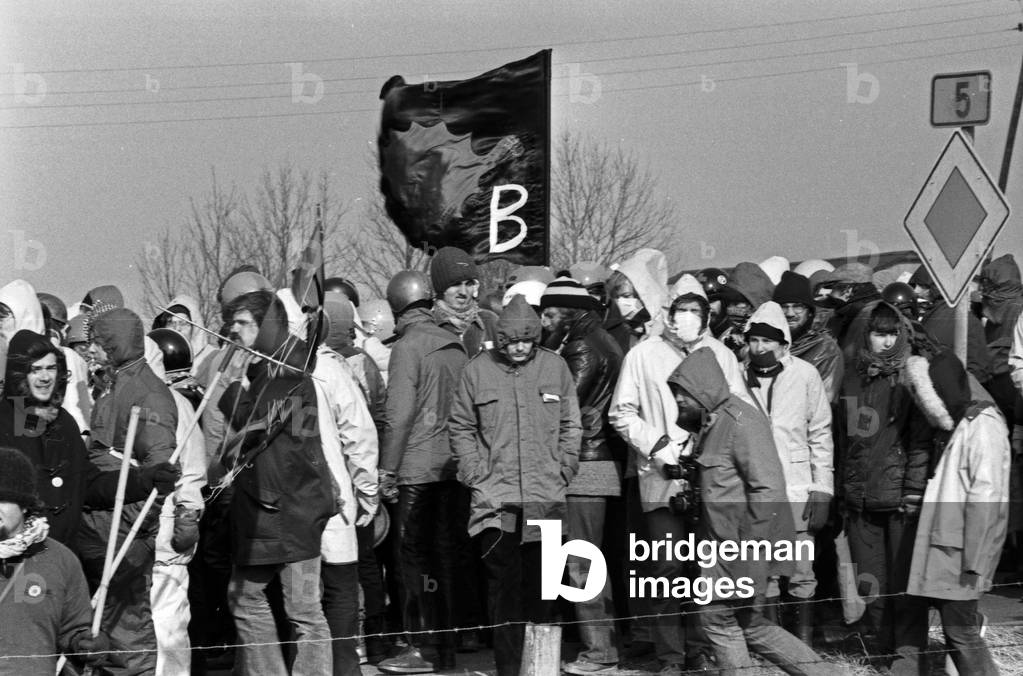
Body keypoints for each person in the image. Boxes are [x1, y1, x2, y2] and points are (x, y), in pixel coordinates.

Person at [665, 348, 829, 676]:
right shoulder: (712, 426)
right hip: (719, 545)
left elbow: (768, 489)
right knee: (749, 623)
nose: (679, 402)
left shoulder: (741, 422)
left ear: (703, 390)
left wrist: (750, 554)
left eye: (683, 395)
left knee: (715, 617)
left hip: (741, 547)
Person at [609, 278, 743, 673]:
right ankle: (670, 656)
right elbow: (622, 411)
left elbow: (737, 411)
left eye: (695, 311)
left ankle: (700, 650)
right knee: (665, 566)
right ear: (668, 312)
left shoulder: (721, 355)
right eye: (679, 310)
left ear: (705, 315)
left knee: (705, 567)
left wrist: (709, 447)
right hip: (660, 476)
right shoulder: (643, 354)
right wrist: (657, 443)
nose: (686, 318)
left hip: (710, 477)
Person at [449, 295, 582, 676]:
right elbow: (460, 425)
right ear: (500, 340)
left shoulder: (555, 368)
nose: (521, 347)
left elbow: (572, 423)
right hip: (497, 504)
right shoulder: (477, 371)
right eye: (512, 341)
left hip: (546, 500)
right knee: (503, 591)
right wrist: (475, 472)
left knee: (545, 590)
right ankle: (509, 668)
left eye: (527, 340)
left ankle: (541, 667)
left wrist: (565, 466)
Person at [378, 249, 494, 674]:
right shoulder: (455, 344)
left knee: (412, 560)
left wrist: (387, 470)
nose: (464, 293)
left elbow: (399, 415)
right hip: (453, 467)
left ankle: (418, 647)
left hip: (416, 469)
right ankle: (444, 646)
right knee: (446, 558)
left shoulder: (409, 347)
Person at [217, 290, 335, 675]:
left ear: (266, 328)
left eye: (244, 324)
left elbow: (258, 425)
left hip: (290, 508)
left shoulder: (289, 370)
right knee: (247, 597)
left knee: (301, 610)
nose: (234, 331)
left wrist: (230, 389)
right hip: (275, 507)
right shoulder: (268, 367)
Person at [78, 306, 180, 676]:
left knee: (128, 628)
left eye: (99, 342)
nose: (90, 349)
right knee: (100, 626)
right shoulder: (113, 382)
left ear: (116, 343)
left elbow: (160, 467)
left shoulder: (149, 394)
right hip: (100, 523)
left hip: (125, 527)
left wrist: (137, 525)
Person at [836, 301, 932, 667]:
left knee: (904, 585)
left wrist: (913, 490)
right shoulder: (851, 378)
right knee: (870, 583)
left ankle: (908, 657)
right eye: (880, 333)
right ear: (868, 336)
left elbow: (920, 441)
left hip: (898, 501)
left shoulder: (910, 378)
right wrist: (844, 489)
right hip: (859, 499)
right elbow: (845, 440)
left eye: (893, 333)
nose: (887, 341)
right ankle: (884, 646)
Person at [538, 277, 624, 675]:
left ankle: (599, 651)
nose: (545, 321)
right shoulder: (603, 338)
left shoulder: (581, 347)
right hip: (596, 460)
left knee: (581, 561)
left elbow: (562, 405)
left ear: (569, 313)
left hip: (585, 463)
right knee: (589, 559)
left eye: (551, 313)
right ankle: (602, 642)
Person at [904, 350, 1008, 675]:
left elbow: (987, 499)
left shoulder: (983, 427)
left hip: (961, 552)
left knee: (961, 631)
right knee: (956, 630)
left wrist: (975, 563)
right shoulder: (963, 421)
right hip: (950, 545)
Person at [740, 302, 834, 643]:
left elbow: (820, 433)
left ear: (784, 343)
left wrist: (823, 487)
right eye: (754, 341)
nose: (760, 348)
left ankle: (803, 647)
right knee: (762, 574)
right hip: (755, 492)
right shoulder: (737, 376)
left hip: (798, 488)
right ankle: (773, 647)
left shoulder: (805, 375)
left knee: (800, 571)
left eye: (768, 341)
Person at [0, 447, 109, 675]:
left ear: (25, 505)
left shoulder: (59, 559)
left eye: (2, 499)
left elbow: (74, 629)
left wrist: (86, 644)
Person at [146, 329, 208, 676]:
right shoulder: (119, 401)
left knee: (168, 627)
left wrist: (188, 511)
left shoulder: (175, 405)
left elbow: (194, 467)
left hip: (165, 537)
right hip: (132, 534)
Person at [0, 330, 89, 548]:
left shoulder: (64, 422)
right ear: (20, 375)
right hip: (13, 559)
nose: (45, 377)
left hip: (62, 557)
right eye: (35, 370)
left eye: (51, 368)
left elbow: (86, 480)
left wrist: (143, 480)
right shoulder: (3, 421)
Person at [909, 266, 992, 386]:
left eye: (921, 285)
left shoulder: (965, 320)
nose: (915, 291)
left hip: (949, 391)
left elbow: (978, 369)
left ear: (933, 287)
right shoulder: (934, 313)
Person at [772, 271, 843, 402]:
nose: (790, 313)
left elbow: (822, 403)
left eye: (798, 307)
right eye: (784, 307)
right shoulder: (766, 343)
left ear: (810, 312)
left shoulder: (826, 349)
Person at [605, 248, 670, 352]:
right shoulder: (617, 332)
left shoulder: (668, 332)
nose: (620, 302)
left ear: (645, 296)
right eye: (616, 297)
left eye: (626, 296)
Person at [711, 261, 775, 360]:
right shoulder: (725, 339)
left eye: (738, 302)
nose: (732, 308)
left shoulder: (777, 338)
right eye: (729, 302)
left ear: (756, 305)